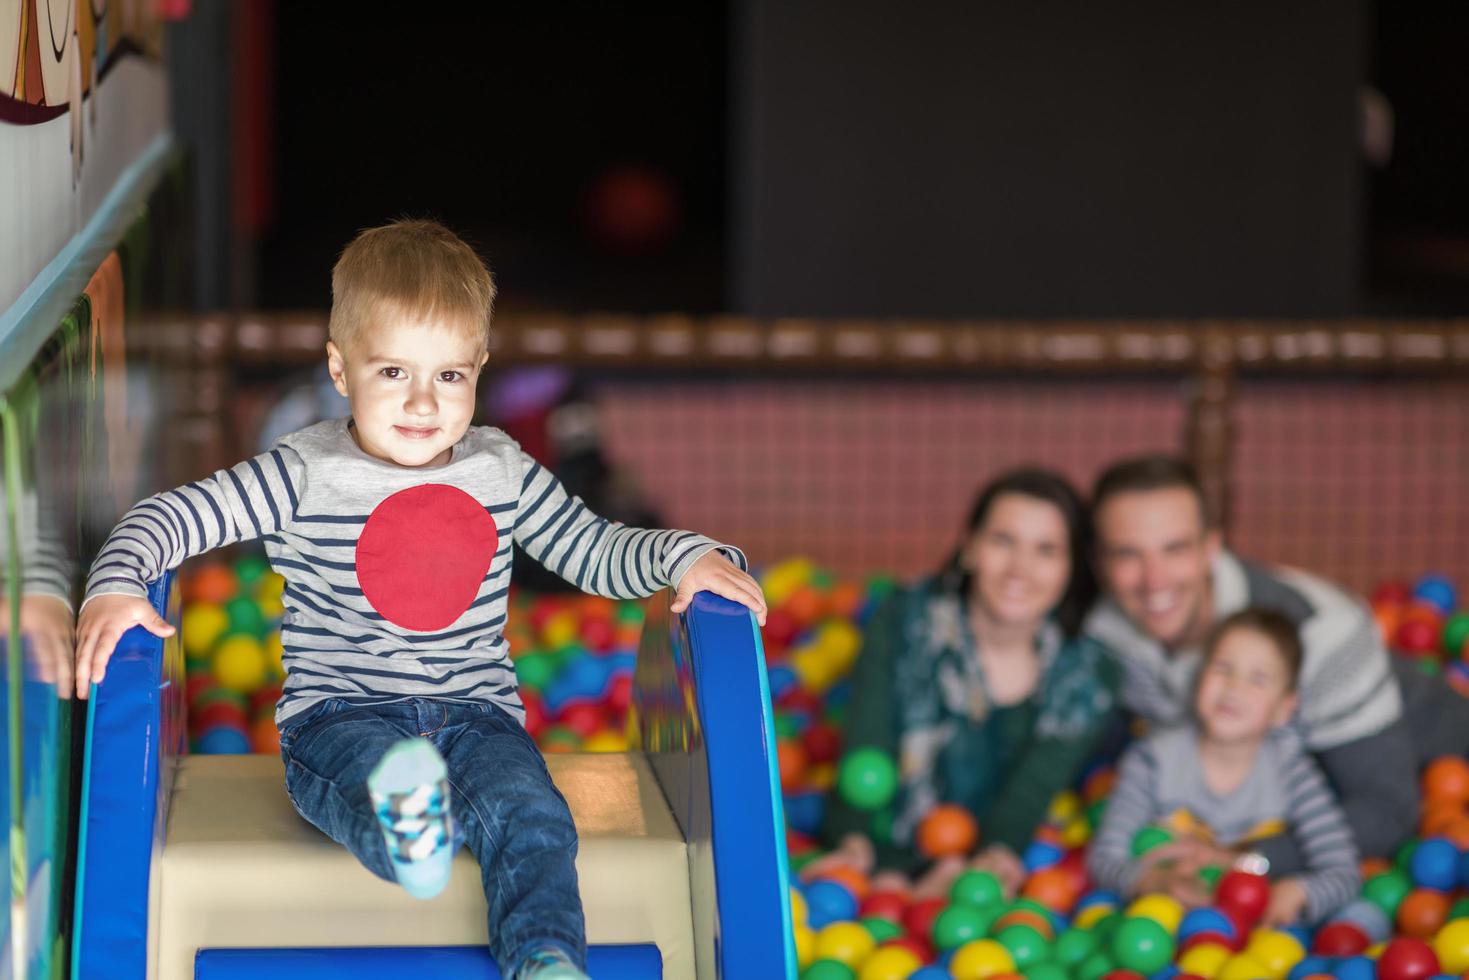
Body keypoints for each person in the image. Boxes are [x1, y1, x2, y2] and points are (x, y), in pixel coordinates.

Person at [72, 219, 768, 980]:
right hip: (338, 715)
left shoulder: (501, 469)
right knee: (370, 781)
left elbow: (594, 550)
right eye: (393, 373)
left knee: (533, 816)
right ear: (340, 370)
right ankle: (411, 832)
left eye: (448, 376)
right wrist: (115, 584)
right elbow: (167, 516)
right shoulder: (304, 472)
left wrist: (684, 553)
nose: (423, 403)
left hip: (477, 717)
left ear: (480, 368)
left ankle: (544, 960)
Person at [1085, 454, 1469, 873]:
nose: (1154, 580)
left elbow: (1388, 810)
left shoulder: (1323, 632)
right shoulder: (1106, 631)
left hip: (1434, 771)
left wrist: (1244, 861)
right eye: (1127, 554)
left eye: (1175, 548)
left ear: (1212, 546)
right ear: (1099, 562)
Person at [811, 469, 1118, 897]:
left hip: (982, 866)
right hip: (886, 842)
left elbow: (1032, 790)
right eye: (1002, 541)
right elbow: (868, 740)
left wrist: (988, 862)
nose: (1020, 569)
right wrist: (854, 845)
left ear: (1071, 568)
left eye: (1046, 550)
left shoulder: (1087, 675)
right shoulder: (905, 619)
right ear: (970, 548)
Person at [1088, 609, 1359, 926]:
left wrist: (1300, 891)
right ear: (1198, 678)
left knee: (1360, 918)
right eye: (1222, 668)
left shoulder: (1292, 774)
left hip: (1256, 936)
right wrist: (1147, 882)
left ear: (1284, 709)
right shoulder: (1152, 760)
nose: (1234, 688)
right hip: (1160, 925)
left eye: (1258, 679)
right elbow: (1103, 858)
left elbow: (1344, 871)